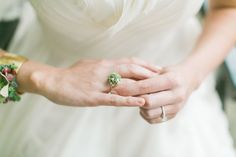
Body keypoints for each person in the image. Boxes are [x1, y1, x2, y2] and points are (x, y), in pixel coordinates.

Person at [0, 0, 236, 157]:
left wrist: (191, 75)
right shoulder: (47, 82)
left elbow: (228, 7)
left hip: (178, 103)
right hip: (48, 103)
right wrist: (47, 80)